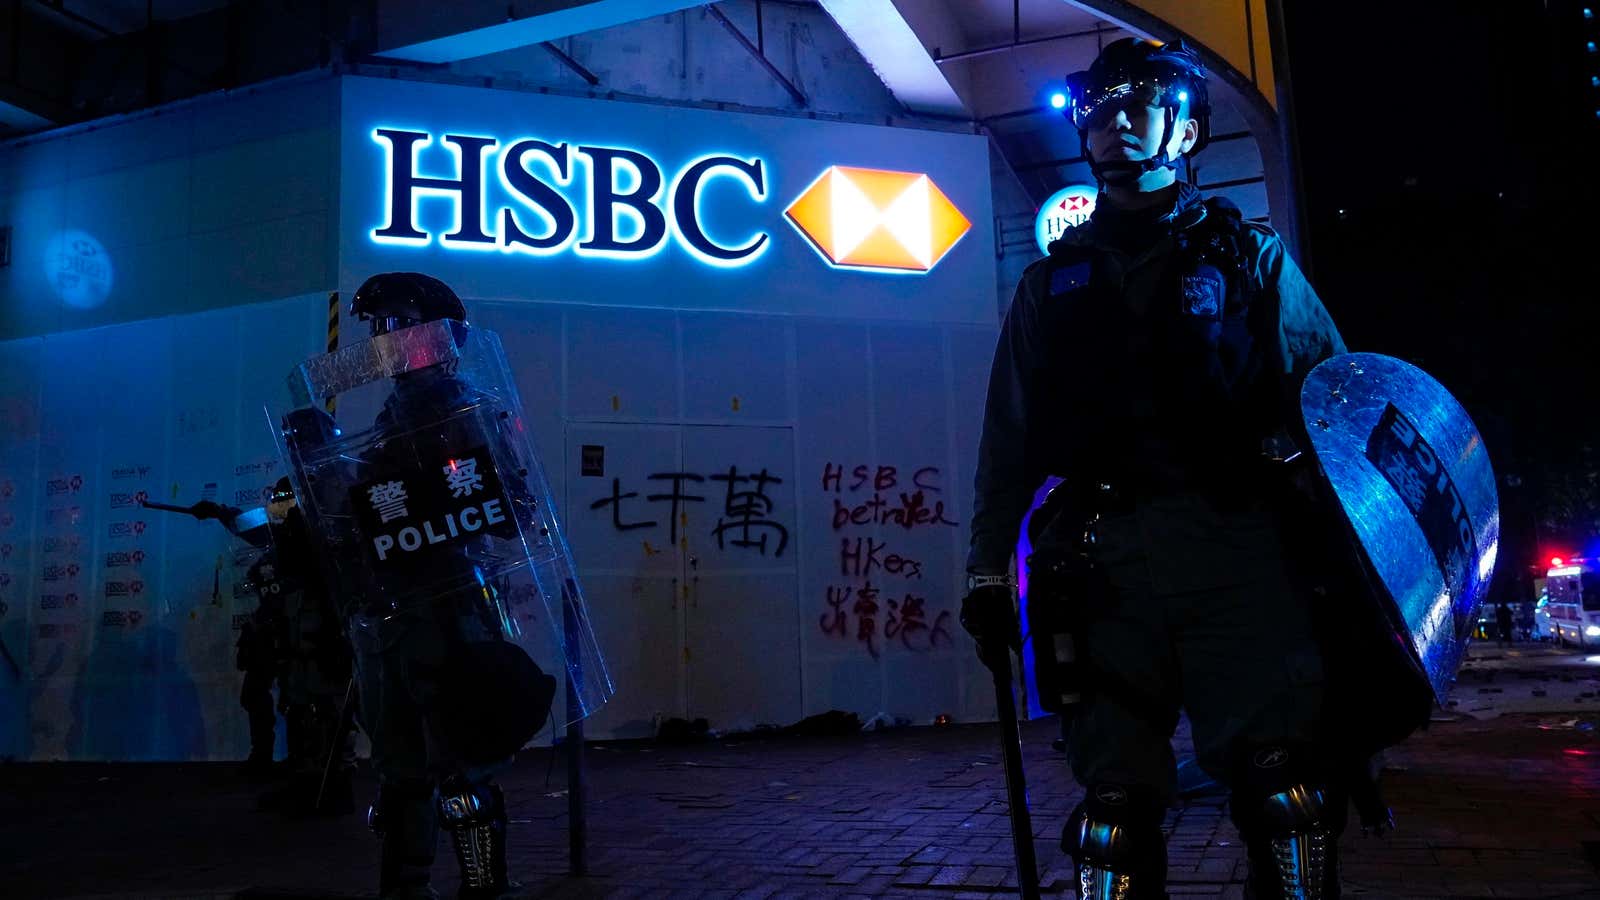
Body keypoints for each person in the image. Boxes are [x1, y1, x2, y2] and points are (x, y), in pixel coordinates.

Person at [960, 38, 1361, 898]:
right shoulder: (1049, 287)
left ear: (1184, 130)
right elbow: (1009, 441)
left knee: (1285, 793)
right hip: (1103, 563)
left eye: (1138, 105)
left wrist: (1341, 546)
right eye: (1099, 110)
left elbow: (1331, 403)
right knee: (1111, 818)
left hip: (1238, 549)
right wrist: (987, 568)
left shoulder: (1248, 260)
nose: (1114, 124)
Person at [332, 272, 555, 900]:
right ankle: (406, 886)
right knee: (402, 771)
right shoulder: (392, 415)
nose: (384, 340)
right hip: (393, 614)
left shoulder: (463, 408)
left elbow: (511, 508)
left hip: (450, 607)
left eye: (398, 324)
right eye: (377, 328)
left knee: (462, 762)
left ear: (436, 334)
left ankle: (483, 883)